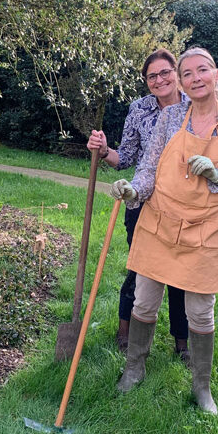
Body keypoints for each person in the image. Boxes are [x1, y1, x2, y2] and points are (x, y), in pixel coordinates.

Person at [110, 46, 218, 414]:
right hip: (160, 219)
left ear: (216, 74)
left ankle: (201, 389)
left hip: (206, 227)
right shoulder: (171, 117)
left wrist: (217, 175)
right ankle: (134, 370)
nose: (195, 78)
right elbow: (148, 167)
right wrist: (134, 190)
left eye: (202, 70)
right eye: (188, 73)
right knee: (144, 299)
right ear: (182, 79)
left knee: (200, 310)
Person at [87, 48, 189, 360]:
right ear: (146, 81)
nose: (159, 80)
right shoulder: (140, 110)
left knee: (179, 275)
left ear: (176, 72)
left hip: (184, 205)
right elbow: (126, 158)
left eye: (165, 72)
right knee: (140, 268)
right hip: (142, 202)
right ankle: (125, 331)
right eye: (151, 76)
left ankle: (182, 343)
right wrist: (104, 151)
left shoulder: (195, 109)